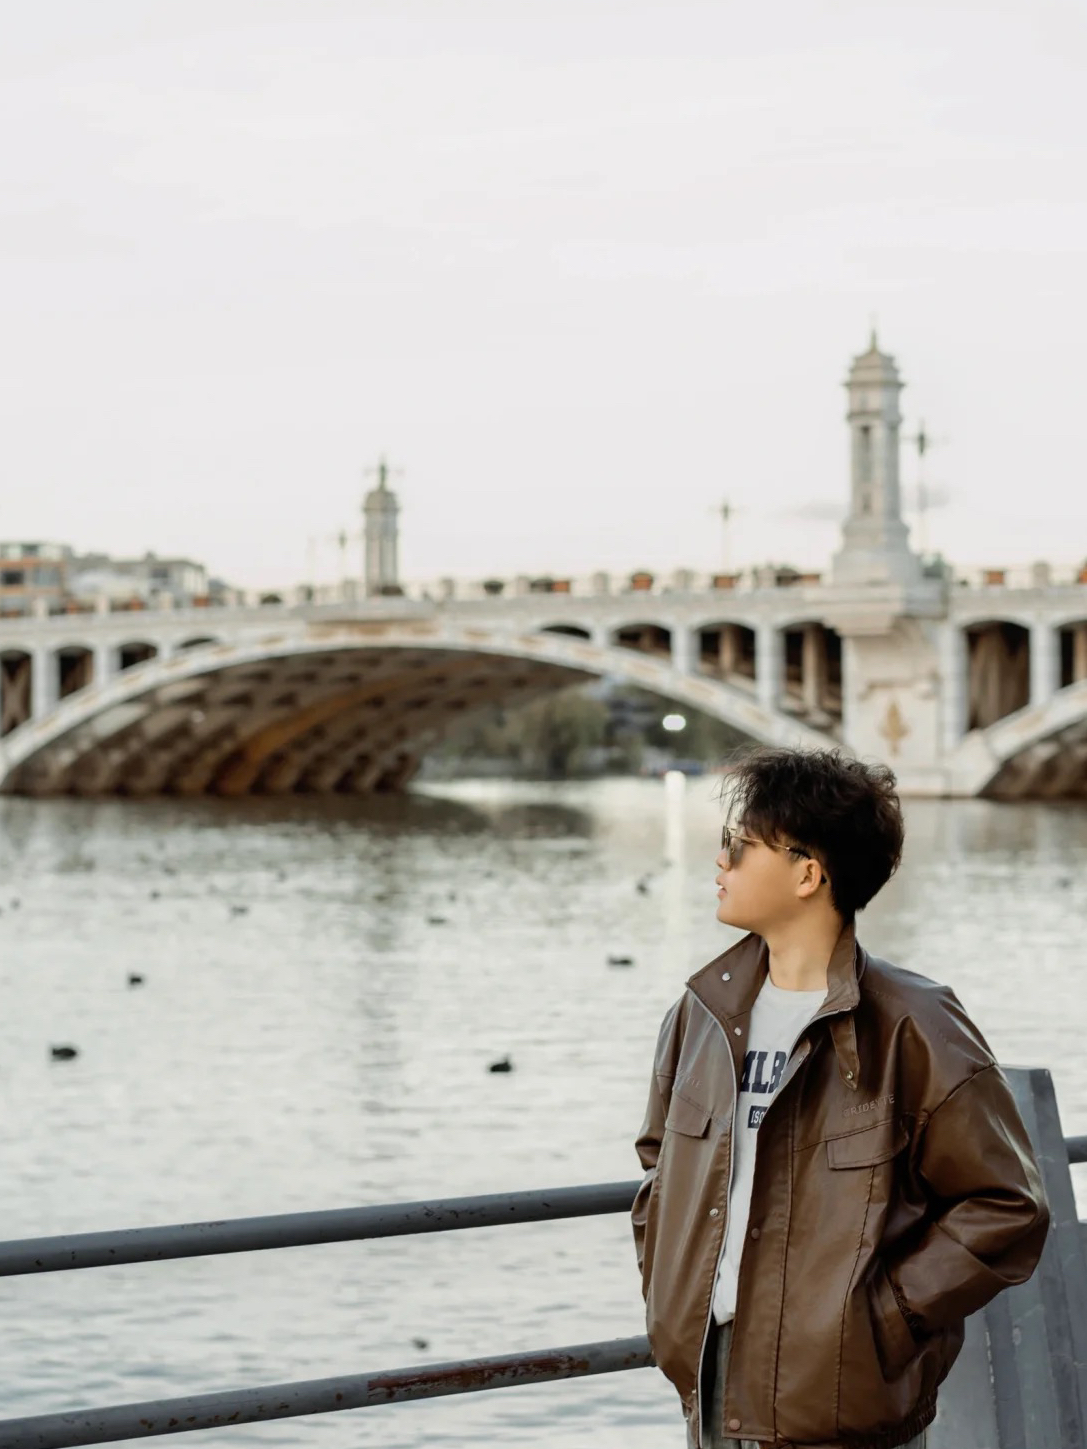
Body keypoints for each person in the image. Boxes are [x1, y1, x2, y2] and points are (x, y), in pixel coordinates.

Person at [631, 747, 1049, 1449]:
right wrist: (667, 1292)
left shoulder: (914, 1022)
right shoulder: (700, 1016)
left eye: (740, 844)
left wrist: (882, 1319)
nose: (720, 861)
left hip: (837, 1401)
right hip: (710, 1380)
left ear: (807, 873)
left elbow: (1005, 1204)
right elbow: (658, 1169)